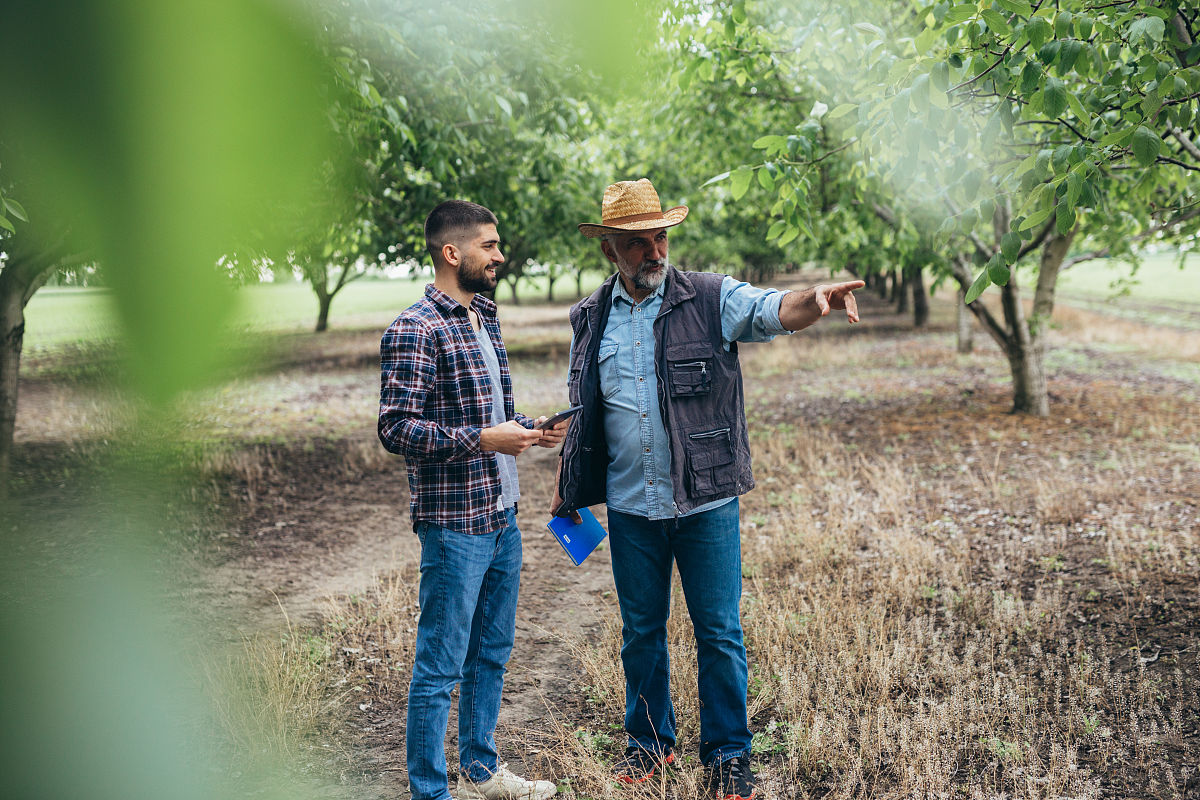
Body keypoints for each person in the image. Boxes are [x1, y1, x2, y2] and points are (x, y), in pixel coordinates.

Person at [550, 179, 863, 800]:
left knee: (718, 632)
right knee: (641, 632)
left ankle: (728, 755)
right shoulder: (589, 316)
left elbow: (772, 309)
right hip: (632, 507)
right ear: (609, 250)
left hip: (706, 502)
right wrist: (569, 484)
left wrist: (814, 299)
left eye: (660, 238)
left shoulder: (711, 297)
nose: (654, 252)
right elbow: (586, 406)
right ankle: (649, 745)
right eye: (637, 243)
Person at [379, 200, 567, 800]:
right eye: (489, 245)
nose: (500, 255)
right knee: (440, 664)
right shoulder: (415, 329)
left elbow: (489, 413)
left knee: (490, 653)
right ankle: (430, 791)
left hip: (502, 514)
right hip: (454, 525)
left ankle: (481, 772)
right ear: (450, 252)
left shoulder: (483, 316)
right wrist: (486, 439)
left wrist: (530, 429)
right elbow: (396, 429)